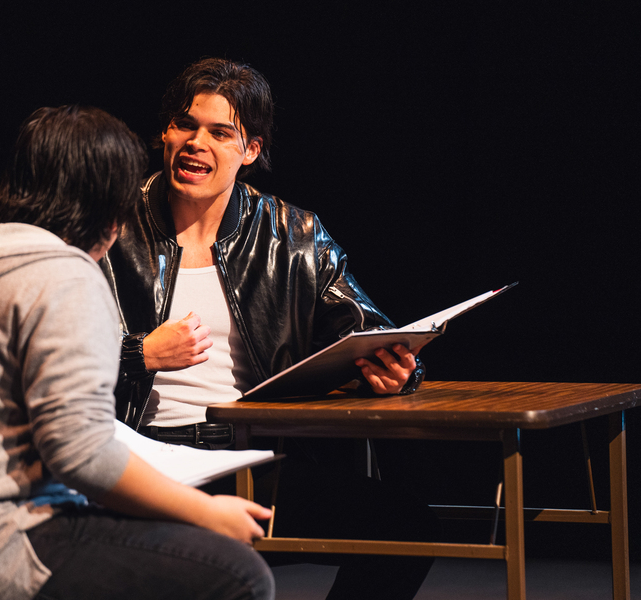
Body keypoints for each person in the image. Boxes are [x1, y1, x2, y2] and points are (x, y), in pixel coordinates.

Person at [0, 105, 275, 600]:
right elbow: (80, 454)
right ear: (110, 205)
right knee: (241, 574)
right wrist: (205, 511)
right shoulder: (62, 277)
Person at [99, 59, 437, 600]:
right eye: (185, 125)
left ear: (251, 150)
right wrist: (139, 353)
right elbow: (43, 351)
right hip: (137, 460)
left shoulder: (293, 235)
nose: (195, 144)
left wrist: (398, 370)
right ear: (164, 132)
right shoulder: (108, 226)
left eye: (219, 133)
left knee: (405, 526)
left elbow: (370, 328)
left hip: (247, 458)